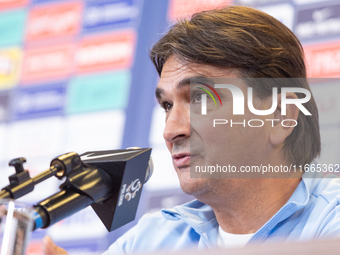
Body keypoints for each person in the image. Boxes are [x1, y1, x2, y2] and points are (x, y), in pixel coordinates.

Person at [42, 5, 340, 255]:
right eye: (167, 106)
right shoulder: (149, 241)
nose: (171, 131)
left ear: (279, 116)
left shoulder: (332, 221)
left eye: (200, 98)